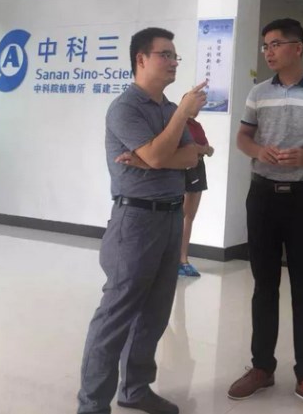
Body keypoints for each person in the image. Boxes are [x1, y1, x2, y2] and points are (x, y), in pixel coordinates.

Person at [77, 27, 206, 414]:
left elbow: (191, 157)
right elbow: (162, 154)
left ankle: (135, 389)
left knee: (155, 312)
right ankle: (92, 405)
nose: (173, 62)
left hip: (170, 217)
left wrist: (154, 156)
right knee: (116, 315)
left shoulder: (167, 108)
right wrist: (172, 133)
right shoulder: (125, 108)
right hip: (135, 220)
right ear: (141, 59)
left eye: (175, 55)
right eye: (165, 54)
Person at [229, 18, 303, 414]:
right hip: (262, 197)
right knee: (264, 286)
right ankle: (262, 367)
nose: (268, 51)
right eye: (265, 45)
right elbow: (243, 137)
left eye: (276, 44)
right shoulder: (258, 93)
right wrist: (256, 150)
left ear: (297, 48)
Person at [178, 111, 214, 277]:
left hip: (198, 167)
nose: (199, 108)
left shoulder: (196, 125)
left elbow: (207, 147)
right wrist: (202, 149)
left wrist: (204, 149)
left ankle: (183, 258)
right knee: (181, 215)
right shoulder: (179, 122)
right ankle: (176, 259)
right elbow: (184, 146)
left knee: (190, 216)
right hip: (185, 168)